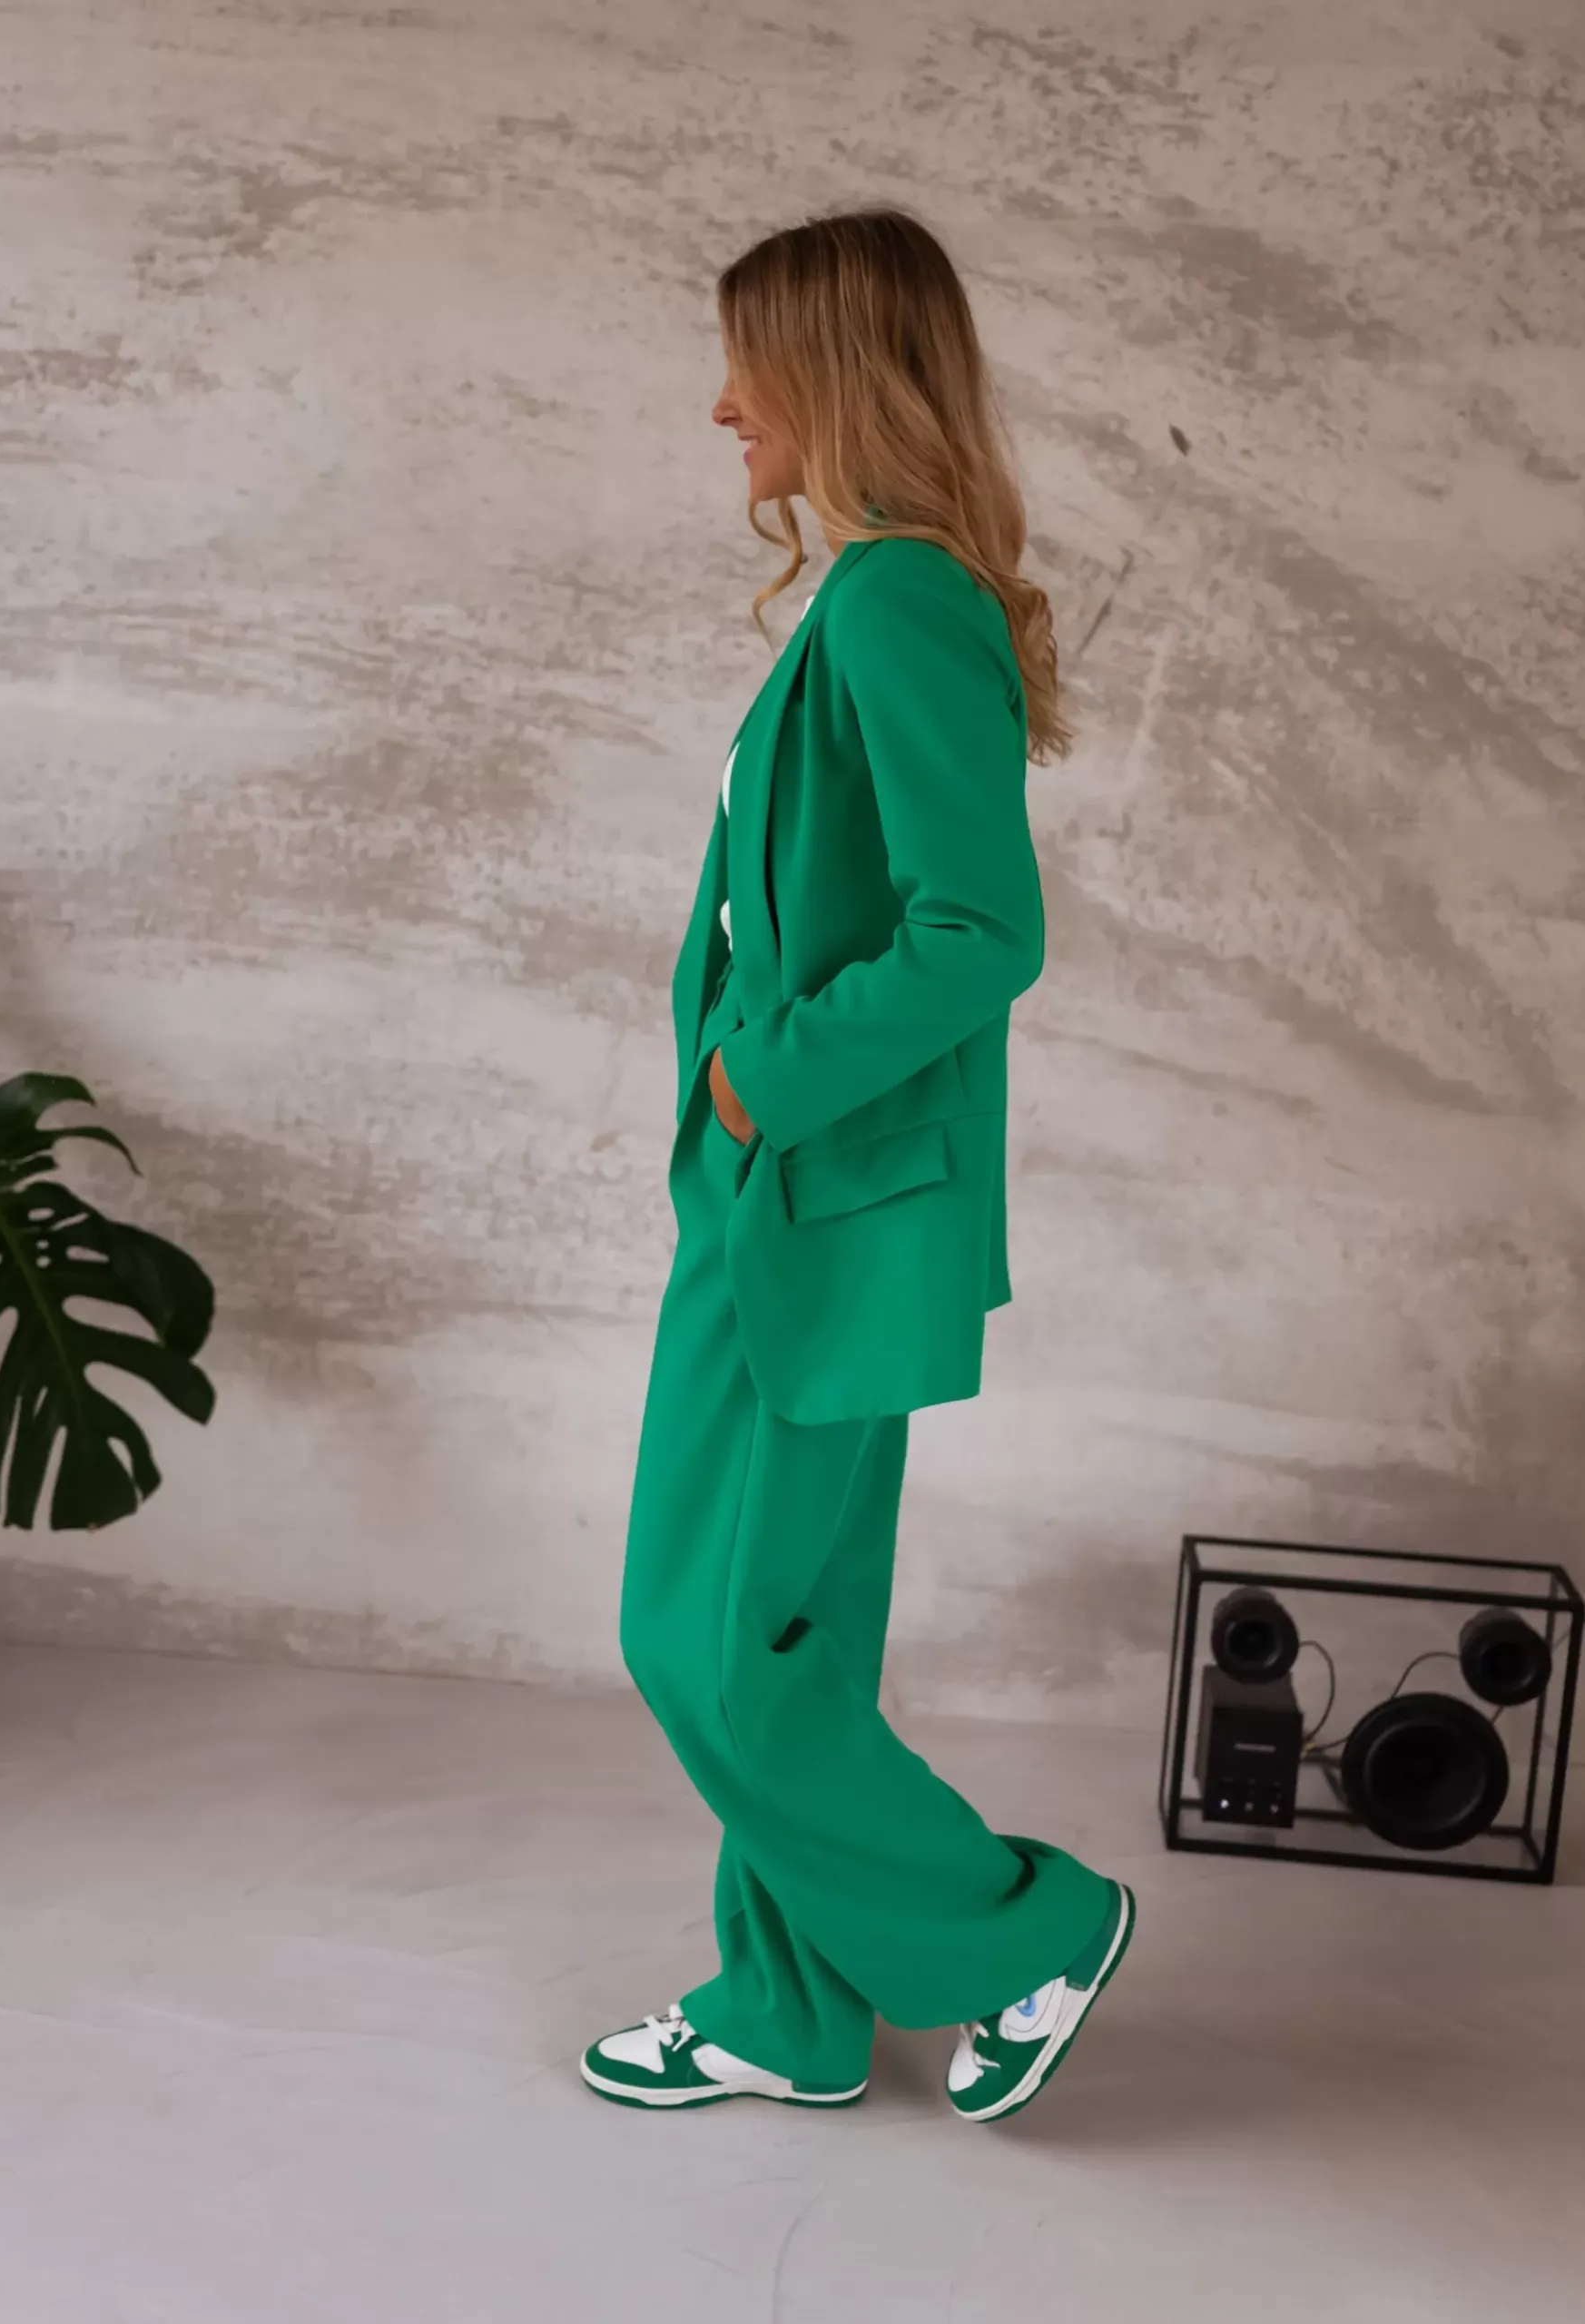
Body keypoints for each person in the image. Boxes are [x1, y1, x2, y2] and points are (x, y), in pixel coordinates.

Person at [580, 206, 1134, 2123]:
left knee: (703, 1642)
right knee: (783, 1635)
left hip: (807, 1194)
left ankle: (1024, 1928)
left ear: (831, 371)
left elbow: (982, 927)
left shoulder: (900, 599)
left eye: (749, 364)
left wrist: (757, 1086)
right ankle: (791, 2007)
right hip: (785, 1197)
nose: (723, 405)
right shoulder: (884, 593)